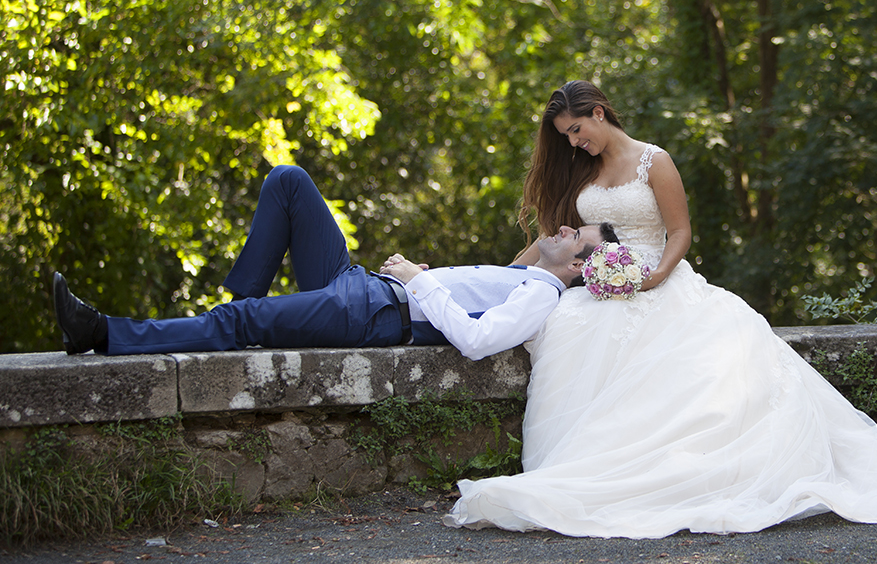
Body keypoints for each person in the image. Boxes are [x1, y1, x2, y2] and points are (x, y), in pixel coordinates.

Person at [445, 80, 877, 538]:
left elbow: (681, 231)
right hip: (601, 282)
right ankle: (591, 461)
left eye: (577, 130)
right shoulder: (580, 171)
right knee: (569, 325)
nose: (574, 142)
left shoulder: (654, 160)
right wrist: (502, 281)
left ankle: (678, 468)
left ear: (599, 112)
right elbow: (549, 240)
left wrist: (658, 275)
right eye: (566, 137)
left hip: (657, 276)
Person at [53, 164, 616, 360]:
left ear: (576, 267)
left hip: (372, 311)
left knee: (241, 325)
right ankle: (242, 312)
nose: (564, 227)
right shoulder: (527, 273)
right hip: (362, 288)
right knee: (290, 182)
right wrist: (423, 279)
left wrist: (419, 282)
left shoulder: (543, 295)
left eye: (576, 235)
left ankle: (102, 333)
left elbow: (475, 340)